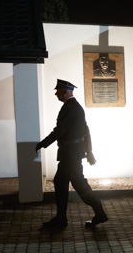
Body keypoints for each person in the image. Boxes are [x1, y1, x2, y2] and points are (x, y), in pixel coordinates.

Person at [36, 79, 108, 229]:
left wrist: (44, 143)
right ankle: (61, 218)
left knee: (80, 185)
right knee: (60, 183)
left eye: (59, 91)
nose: (56, 94)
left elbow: (60, 131)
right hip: (70, 154)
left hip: (70, 155)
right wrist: (89, 152)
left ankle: (99, 213)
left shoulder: (70, 108)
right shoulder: (74, 107)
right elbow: (86, 131)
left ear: (66, 92)